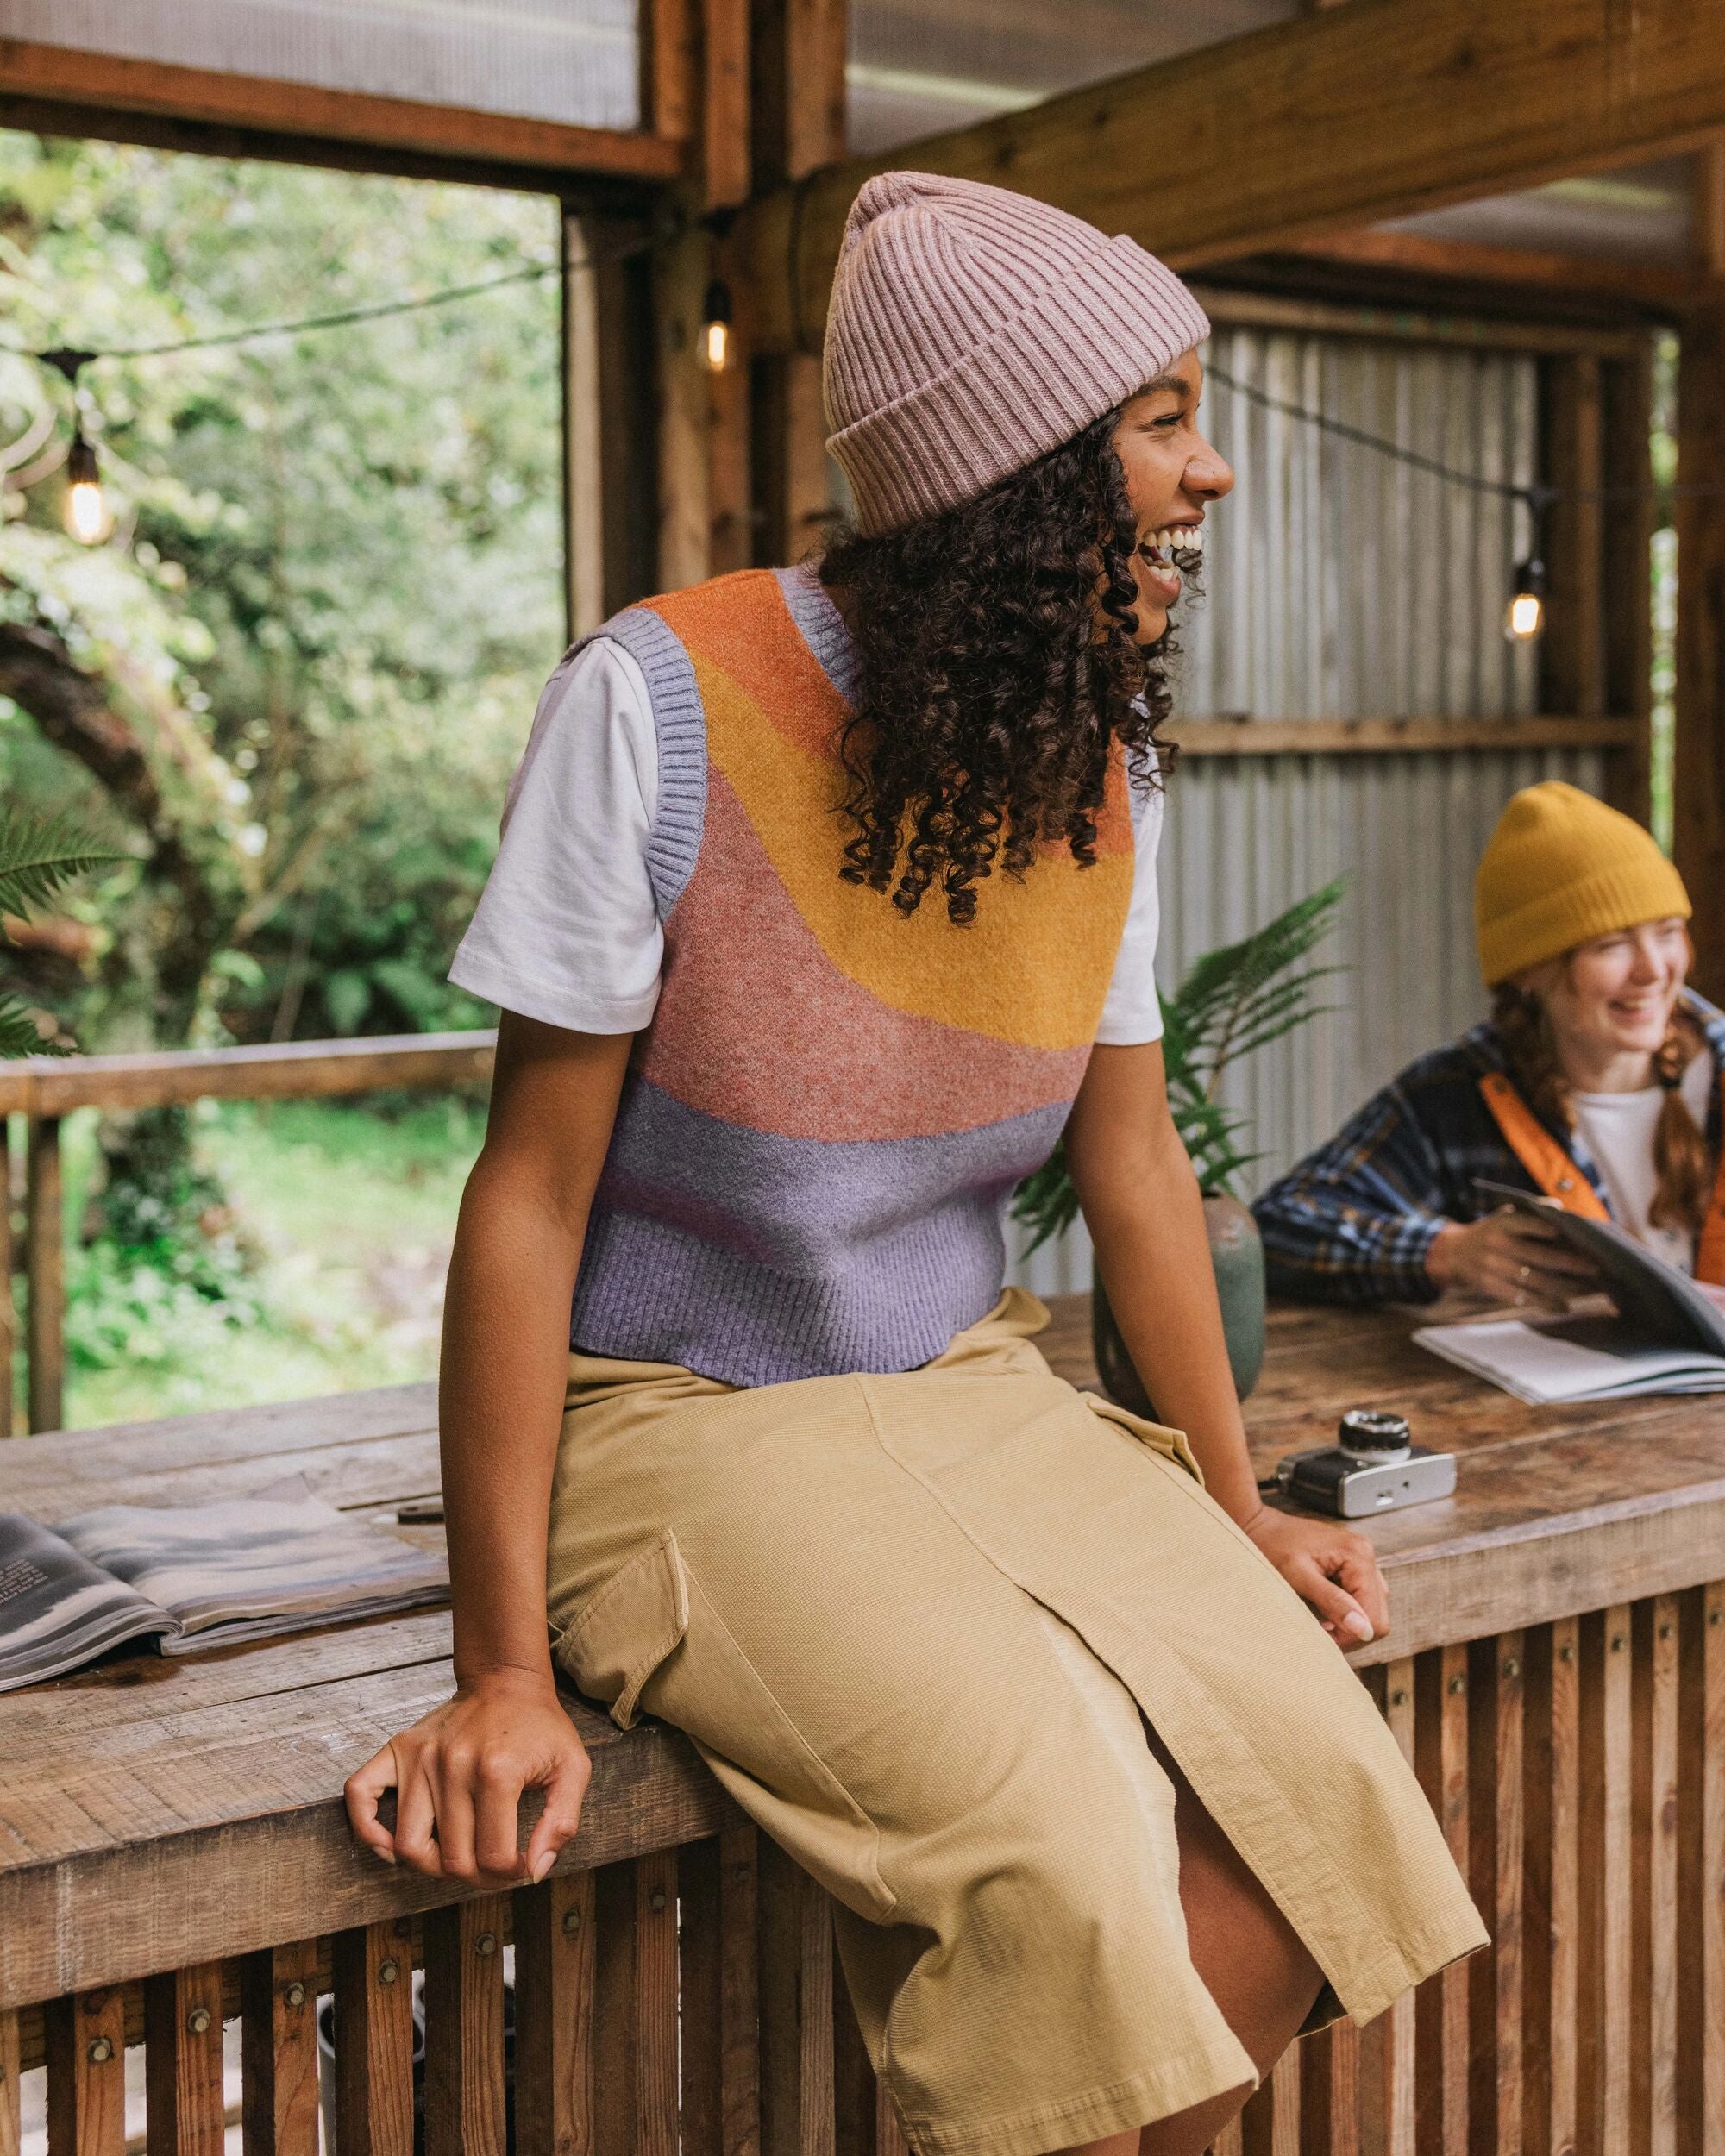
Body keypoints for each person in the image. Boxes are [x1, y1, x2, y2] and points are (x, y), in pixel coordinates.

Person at [344, 172, 1484, 2156]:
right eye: (1155, 420)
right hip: (674, 1418)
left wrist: (1229, 1506)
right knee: (1048, 1837)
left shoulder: (1091, 758)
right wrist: (500, 1669)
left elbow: (1132, 1178)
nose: (1207, 474)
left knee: (1295, 1800)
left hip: (960, 1387)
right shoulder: (655, 704)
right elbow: (524, 1202)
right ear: (1018, 473)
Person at [1255, 781, 1725, 1309]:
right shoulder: (1456, 1094)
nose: (1654, 970)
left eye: (1667, 932)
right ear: (1528, 969)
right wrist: (1444, 1252)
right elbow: (1277, 1228)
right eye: (1611, 945)